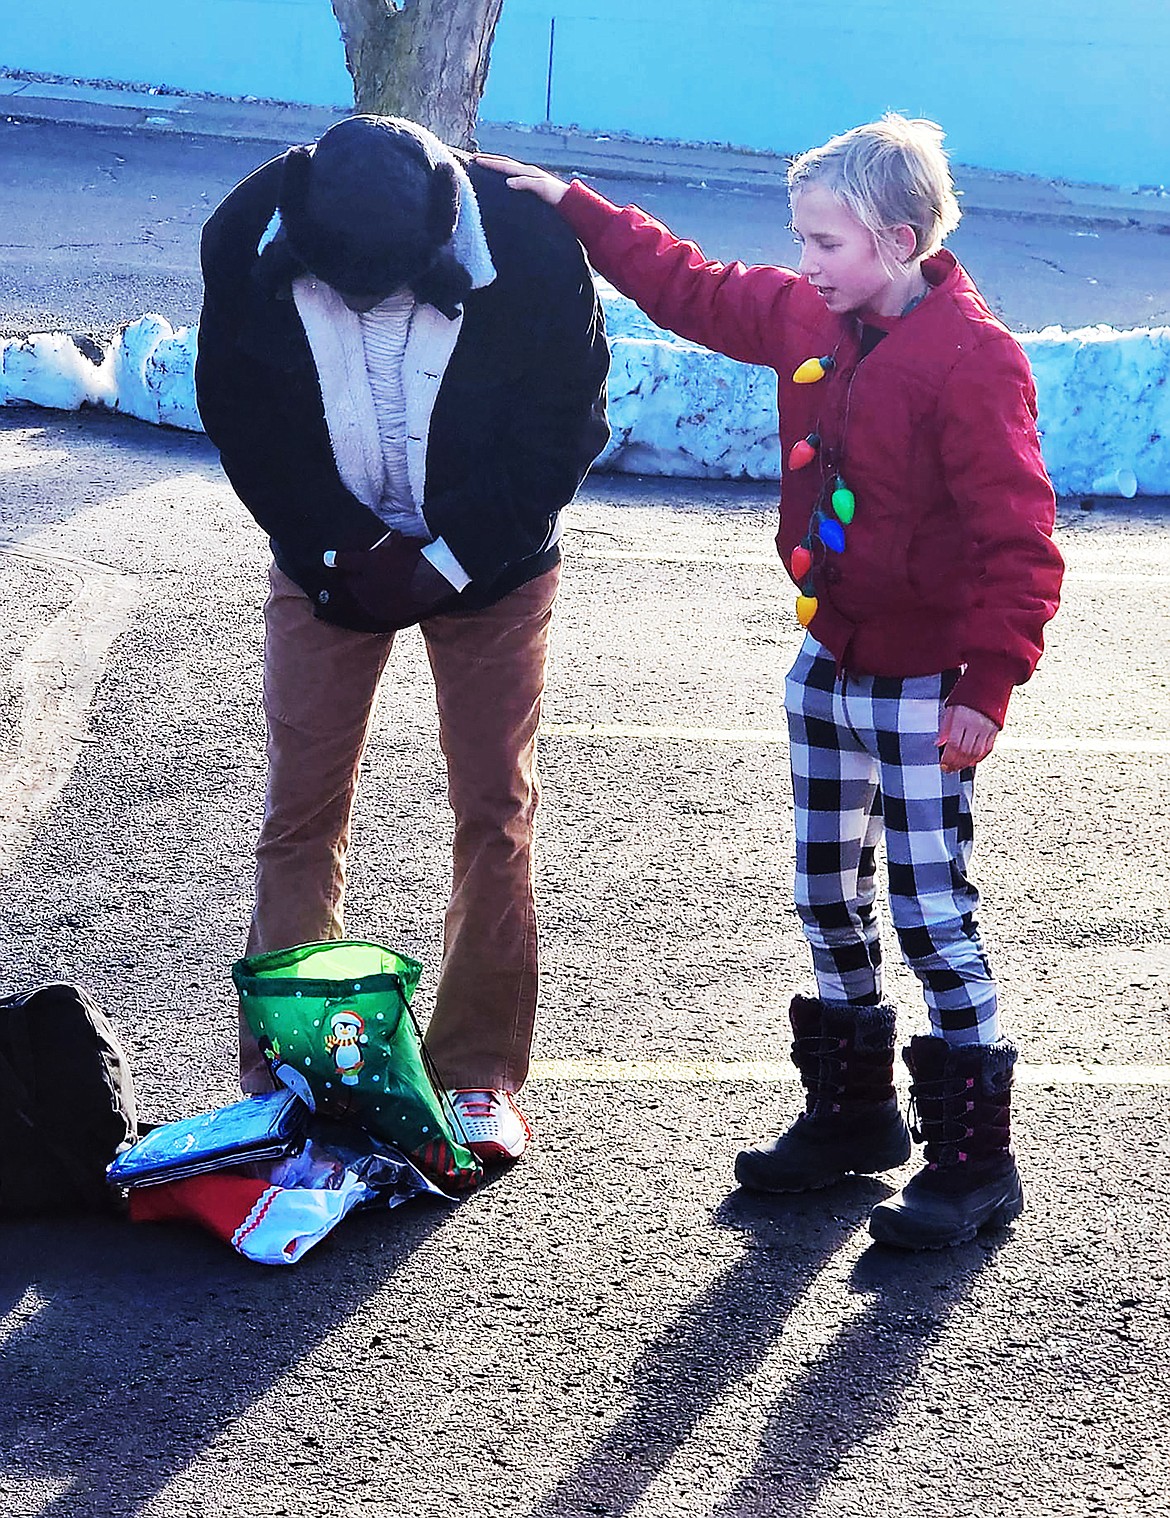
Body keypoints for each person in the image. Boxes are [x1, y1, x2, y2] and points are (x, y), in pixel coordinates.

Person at [478, 114, 1063, 1244]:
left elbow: (1020, 533)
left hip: (925, 685)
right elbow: (691, 287)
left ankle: (974, 1161)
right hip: (826, 666)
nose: (803, 262)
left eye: (825, 243)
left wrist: (987, 684)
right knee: (824, 893)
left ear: (896, 240)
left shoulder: (972, 357)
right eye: (798, 240)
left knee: (931, 913)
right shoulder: (813, 313)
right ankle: (853, 1117)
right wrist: (570, 205)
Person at [195, 115, 610, 1164]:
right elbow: (241, 418)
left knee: (493, 807)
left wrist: (451, 558)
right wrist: (342, 547)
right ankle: (289, 1074)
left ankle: (476, 1074)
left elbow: (568, 424)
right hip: (328, 562)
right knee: (300, 811)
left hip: (495, 563)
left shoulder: (531, 247)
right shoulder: (243, 236)